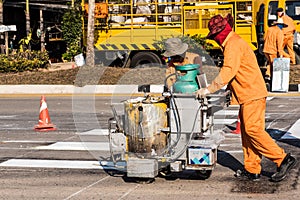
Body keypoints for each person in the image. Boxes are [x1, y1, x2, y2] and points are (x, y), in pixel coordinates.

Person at [196, 14, 296, 182]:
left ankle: (282, 159)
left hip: (252, 93)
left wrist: (209, 89)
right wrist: (228, 93)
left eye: (214, 37)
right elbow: (237, 71)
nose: (215, 40)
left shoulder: (233, 45)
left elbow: (229, 70)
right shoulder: (232, 42)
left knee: (253, 130)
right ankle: (252, 168)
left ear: (219, 34)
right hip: (247, 93)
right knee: (247, 132)